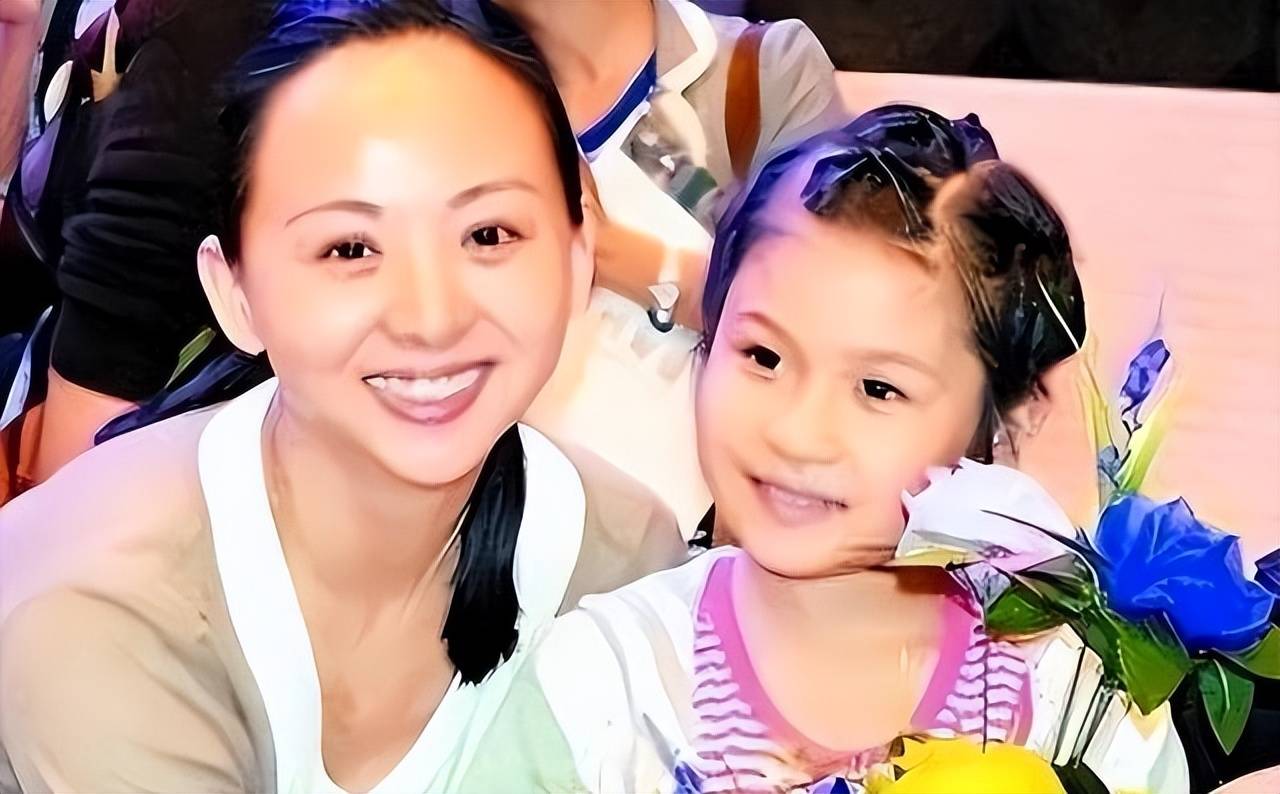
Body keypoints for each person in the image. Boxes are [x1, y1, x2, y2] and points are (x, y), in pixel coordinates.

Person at [0, 1, 685, 791]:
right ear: (234, 294)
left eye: (488, 235)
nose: (431, 317)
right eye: (350, 248)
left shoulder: (622, 555)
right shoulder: (105, 612)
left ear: (578, 259)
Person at [490, 106, 1191, 792]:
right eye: (763, 356)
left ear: (1008, 419)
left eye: (878, 389)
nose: (798, 431)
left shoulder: (1077, 699)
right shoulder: (608, 691)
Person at [468, 0, 847, 537]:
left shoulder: (757, 74)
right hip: (498, 530)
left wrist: (610, 251)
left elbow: (831, 318)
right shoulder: (445, 90)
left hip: (712, 543)